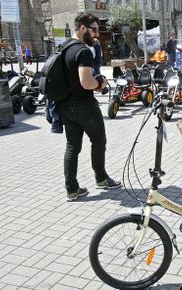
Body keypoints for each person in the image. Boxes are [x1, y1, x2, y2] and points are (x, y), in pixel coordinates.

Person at [58, 12, 120, 201]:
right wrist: (100, 84)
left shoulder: (63, 47)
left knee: (72, 146)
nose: (97, 35)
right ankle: (101, 178)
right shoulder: (83, 51)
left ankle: (72, 189)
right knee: (99, 140)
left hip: (65, 105)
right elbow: (86, 82)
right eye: (94, 30)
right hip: (84, 105)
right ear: (82, 28)